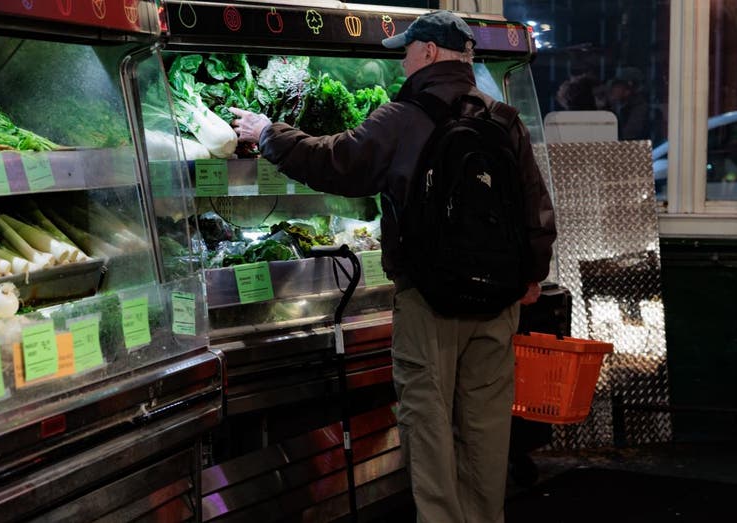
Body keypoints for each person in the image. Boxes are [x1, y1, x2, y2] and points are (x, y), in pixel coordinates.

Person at [229, 10, 556, 523]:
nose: (402, 60)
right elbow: (535, 205)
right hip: (499, 300)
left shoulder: (405, 117)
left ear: (427, 52)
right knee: (487, 426)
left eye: (407, 50)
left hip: (430, 300)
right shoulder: (501, 116)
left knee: (427, 423)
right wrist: (532, 275)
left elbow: (336, 162)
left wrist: (270, 134)